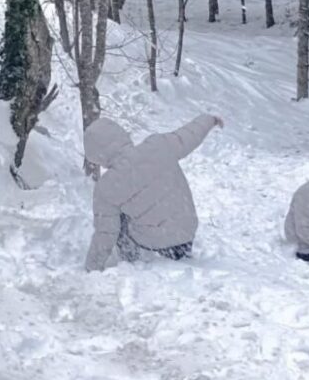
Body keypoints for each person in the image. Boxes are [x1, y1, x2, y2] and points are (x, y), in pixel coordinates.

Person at [84, 114, 223, 272]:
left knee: (117, 218)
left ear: (95, 155)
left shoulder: (106, 187)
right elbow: (188, 135)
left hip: (154, 244)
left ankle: (131, 263)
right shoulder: (158, 146)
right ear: (121, 134)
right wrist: (209, 120)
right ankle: (174, 250)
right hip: (185, 235)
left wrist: (92, 267)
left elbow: (106, 232)